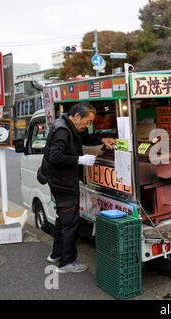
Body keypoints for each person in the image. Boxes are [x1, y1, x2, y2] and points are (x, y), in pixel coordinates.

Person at [40, 102, 116, 273]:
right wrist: (79, 160)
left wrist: (102, 139)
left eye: (90, 123)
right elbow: (55, 156)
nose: (88, 125)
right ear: (76, 116)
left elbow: (85, 138)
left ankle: (56, 254)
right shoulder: (62, 130)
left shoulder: (69, 125)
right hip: (62, 182)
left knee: (63, 218)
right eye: (87, 122)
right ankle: (67, 262)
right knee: (70, 222)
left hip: (59, 180)